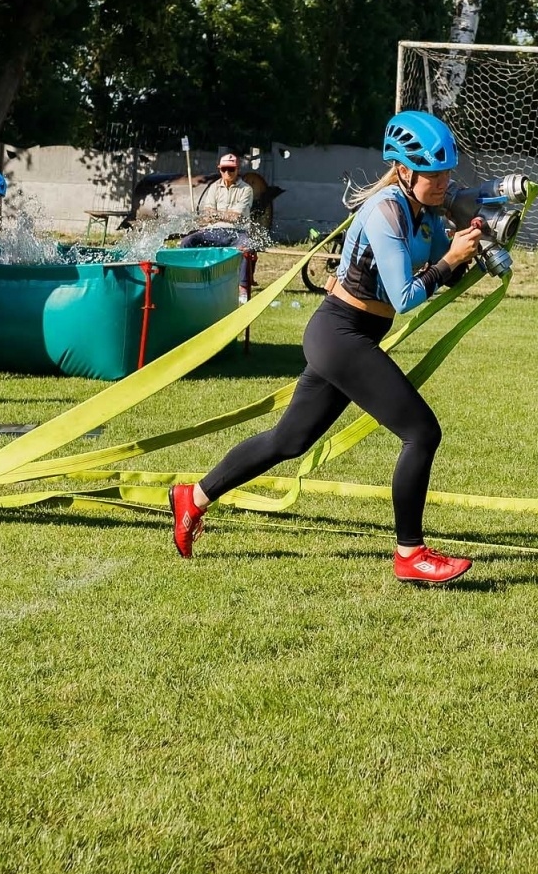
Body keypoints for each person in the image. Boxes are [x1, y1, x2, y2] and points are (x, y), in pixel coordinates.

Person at [168, 111, 485, 585]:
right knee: (421, 433)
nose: (443, 182)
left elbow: (443, 270)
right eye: (432, 173)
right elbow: (405, 296)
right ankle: (410, 554)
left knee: (288, 441)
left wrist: (470, 249)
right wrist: (450, 260)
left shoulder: (423, 213)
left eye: (446, 172)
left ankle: (192, 497)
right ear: (403, 170)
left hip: (349, 336)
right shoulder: (385, 211)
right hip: (341, 335)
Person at [180, 153, 259, 302]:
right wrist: (224, 215)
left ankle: (242, 289)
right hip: (213, 231)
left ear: (237, 169)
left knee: (247, 246)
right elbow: (208, 214)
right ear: (219, 169)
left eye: (231, 169)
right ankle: (188, 280)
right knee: (187, 242)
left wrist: (216, 215)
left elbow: (235, 217)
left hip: (237, 232)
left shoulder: (246, 189)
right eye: (224, 169)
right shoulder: (214, 187)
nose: (227, 172)